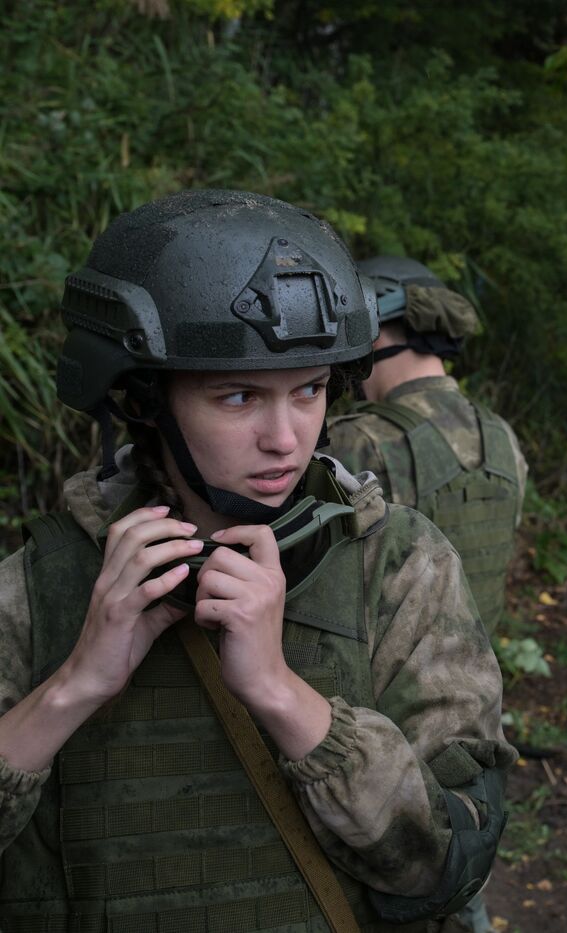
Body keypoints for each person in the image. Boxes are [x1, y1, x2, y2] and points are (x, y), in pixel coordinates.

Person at [0, 191, 513, 931]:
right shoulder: (40, 584)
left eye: (308, 391)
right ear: (144, 400)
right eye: (238, 396)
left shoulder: (398, 566)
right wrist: (74, 686)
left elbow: (446, 865)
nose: (285, 437)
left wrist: (281, 695)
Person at [328, 256, 526, 635]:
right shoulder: (502, 436)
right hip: (476, 683)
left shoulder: (358, 439)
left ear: (373, 334)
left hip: (374, 686)